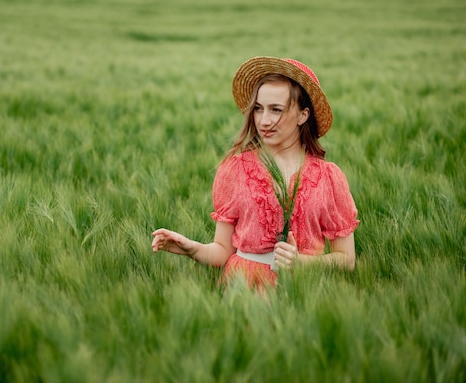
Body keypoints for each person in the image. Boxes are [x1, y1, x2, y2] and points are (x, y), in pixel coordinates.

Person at [151, 56, 359, 289]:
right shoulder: (235, 170)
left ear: (303, 115)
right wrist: (193, 249)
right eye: (259, 109)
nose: (264, 120)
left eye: (276, 110)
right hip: (242, 291)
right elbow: (222, 251)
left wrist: (301, 263)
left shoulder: (328, 178)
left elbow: (346, 260)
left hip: (303, 292)